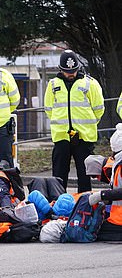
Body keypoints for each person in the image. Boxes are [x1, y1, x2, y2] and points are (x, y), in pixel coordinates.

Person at [44, 50, 104, 192]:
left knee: (84, 175)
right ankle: (58, 204)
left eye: (73, 70)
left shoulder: (90, 84)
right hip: (62, 136)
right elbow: (49, 109)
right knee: (59, 175)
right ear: (60, 69)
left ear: (78, 68)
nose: (70, 73)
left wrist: (86, 126)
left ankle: (84, 206)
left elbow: (99, 109)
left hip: (84, 137)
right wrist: (61, 125)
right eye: (66, 71)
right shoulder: (53, 85)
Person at [91, 129, 122, 241]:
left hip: (119, 220)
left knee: (92, 228)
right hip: (118, 217)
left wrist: (102, 195)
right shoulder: (118, 163)